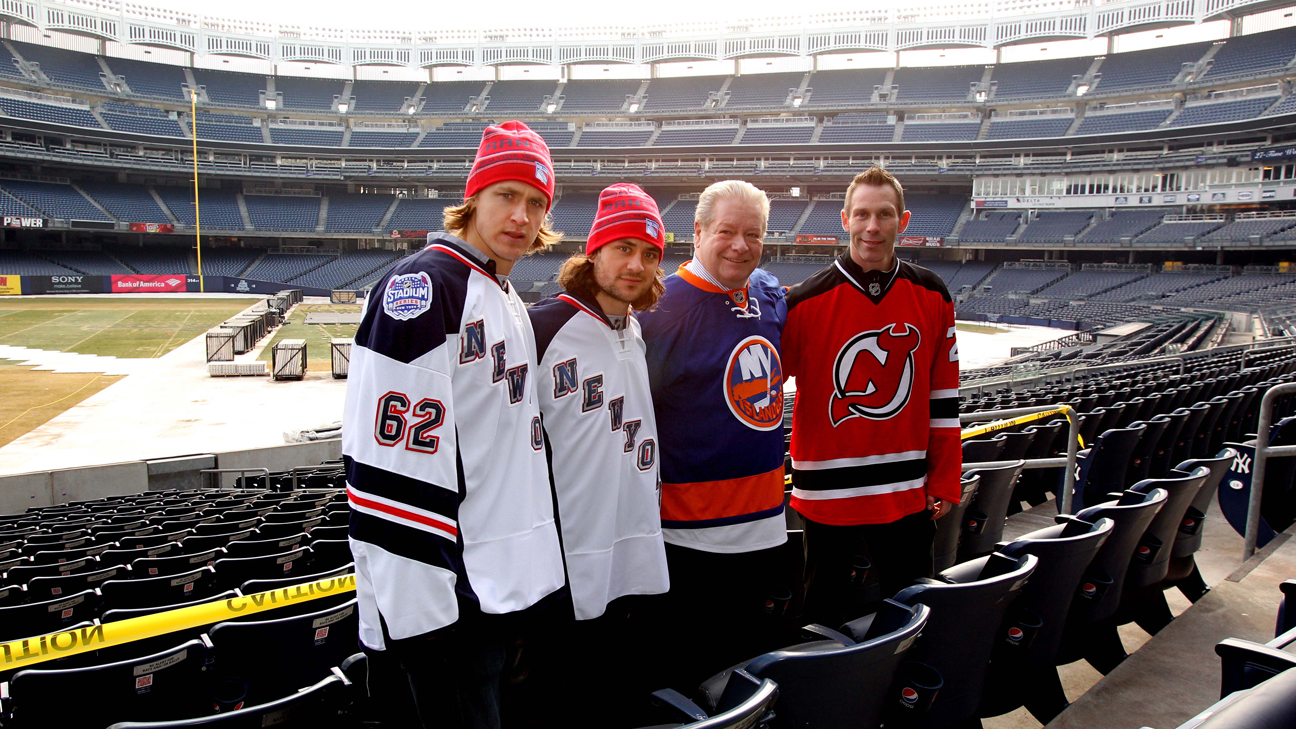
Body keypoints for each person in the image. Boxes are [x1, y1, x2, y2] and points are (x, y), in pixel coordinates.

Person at [342, 120, 566, 729]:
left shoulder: (501, 290)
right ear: (473, 199)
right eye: (507, 195)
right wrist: (430, 607)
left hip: (490, 587)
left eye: (536, 202)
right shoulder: (422, 287)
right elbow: (388, 466)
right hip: (446, 599)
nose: (521, 216)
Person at [782, 166, 962, 629]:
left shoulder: (933, 295)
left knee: (914, 613)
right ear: (844, 219)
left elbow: (943, 397)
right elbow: (760, 391)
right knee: (822, 617)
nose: (872, 227)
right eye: (862, 214)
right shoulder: (802, 303)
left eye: (884, 215)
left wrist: (944, 478)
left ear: (903, 220)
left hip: (905, 491)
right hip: (826, 494)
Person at [528, 182, 671, 724]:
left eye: (651, 253)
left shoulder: (634, 329)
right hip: (566, 561)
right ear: (595, 252)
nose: (637, 265)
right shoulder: (543, 327)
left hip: (629, 550)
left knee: (614, 694)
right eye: (624, 249)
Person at [638, 179, 788, 689]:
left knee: (745, 681)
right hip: (689, 542)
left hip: (766, 531)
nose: (740, 245)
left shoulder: (769, 292)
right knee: (692, 683)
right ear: (698, 232)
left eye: (753, 233)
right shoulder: (661, 308)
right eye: (726, 231)